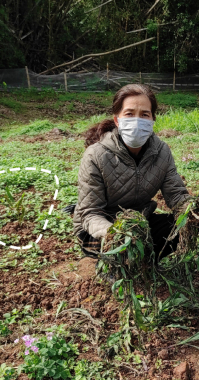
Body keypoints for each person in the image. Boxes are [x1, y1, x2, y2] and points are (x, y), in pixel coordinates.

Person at [71, 84, 190, 267]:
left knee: (177, 228)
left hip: (138, 222)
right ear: (117, 120)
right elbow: (90, 213)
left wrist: (193, 210)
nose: (137, 121)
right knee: (116, 251)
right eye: (129, 114)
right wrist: (115, 234)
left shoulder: (161, 152)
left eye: (144, 114)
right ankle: (113, 264)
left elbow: (176, 194)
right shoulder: (96, 155)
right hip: (101, 229)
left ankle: (143, 261)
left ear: (152, 120)